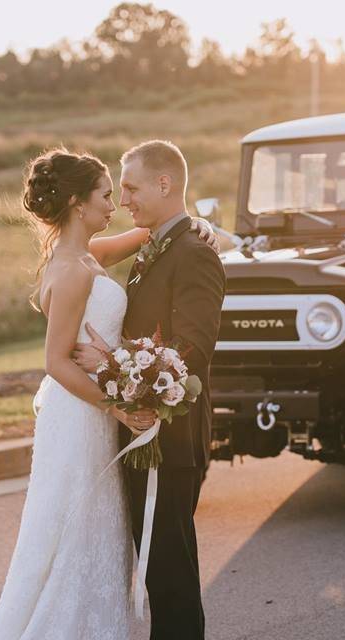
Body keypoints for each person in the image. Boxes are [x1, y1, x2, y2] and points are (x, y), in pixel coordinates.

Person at [0, 146, 218, 640]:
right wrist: (116, 398)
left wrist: (200, 227)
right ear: (77, 203)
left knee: (107, 539)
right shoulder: (69, 269)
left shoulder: (92, 253)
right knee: (74, 537)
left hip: (108, 413)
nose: (117, 204)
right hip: (86, 414)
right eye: (109, 195)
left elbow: (156, 233)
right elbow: (55, 361)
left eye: (125, 191)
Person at [74, 140, 226, 640]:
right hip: (147, 432)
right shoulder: (158, 243)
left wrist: (114, 366)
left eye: (133, 188)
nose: (125, 201)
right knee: (161, 569)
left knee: (170, 575)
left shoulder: (193, 252)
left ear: (165, 184)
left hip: (169, 436)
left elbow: (193, 348)